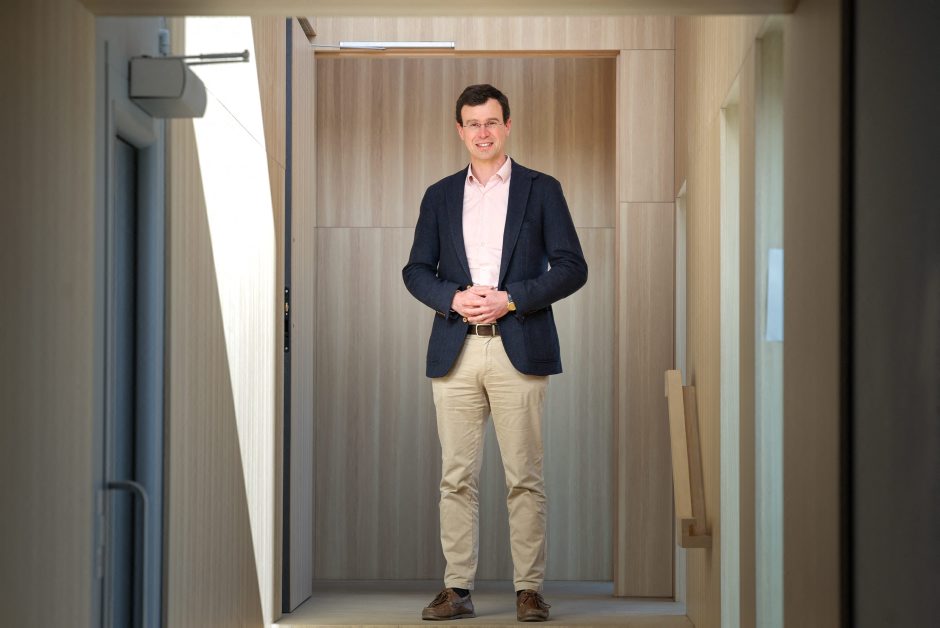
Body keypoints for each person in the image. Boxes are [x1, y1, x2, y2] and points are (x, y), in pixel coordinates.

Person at [403, 84, 587, 623]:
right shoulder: (439, 195)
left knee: (523, 476)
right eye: (472, 123)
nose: (482, 132)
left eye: (491, 122)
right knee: (455, 477)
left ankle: (528, 590)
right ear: (459, 130)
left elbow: (572, 267)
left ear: (507, 125)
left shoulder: (542, 189)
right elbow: (416, 270)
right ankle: (457, 589)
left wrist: (511, 299)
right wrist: (452, 297)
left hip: (519, 346)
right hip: (455, 350)